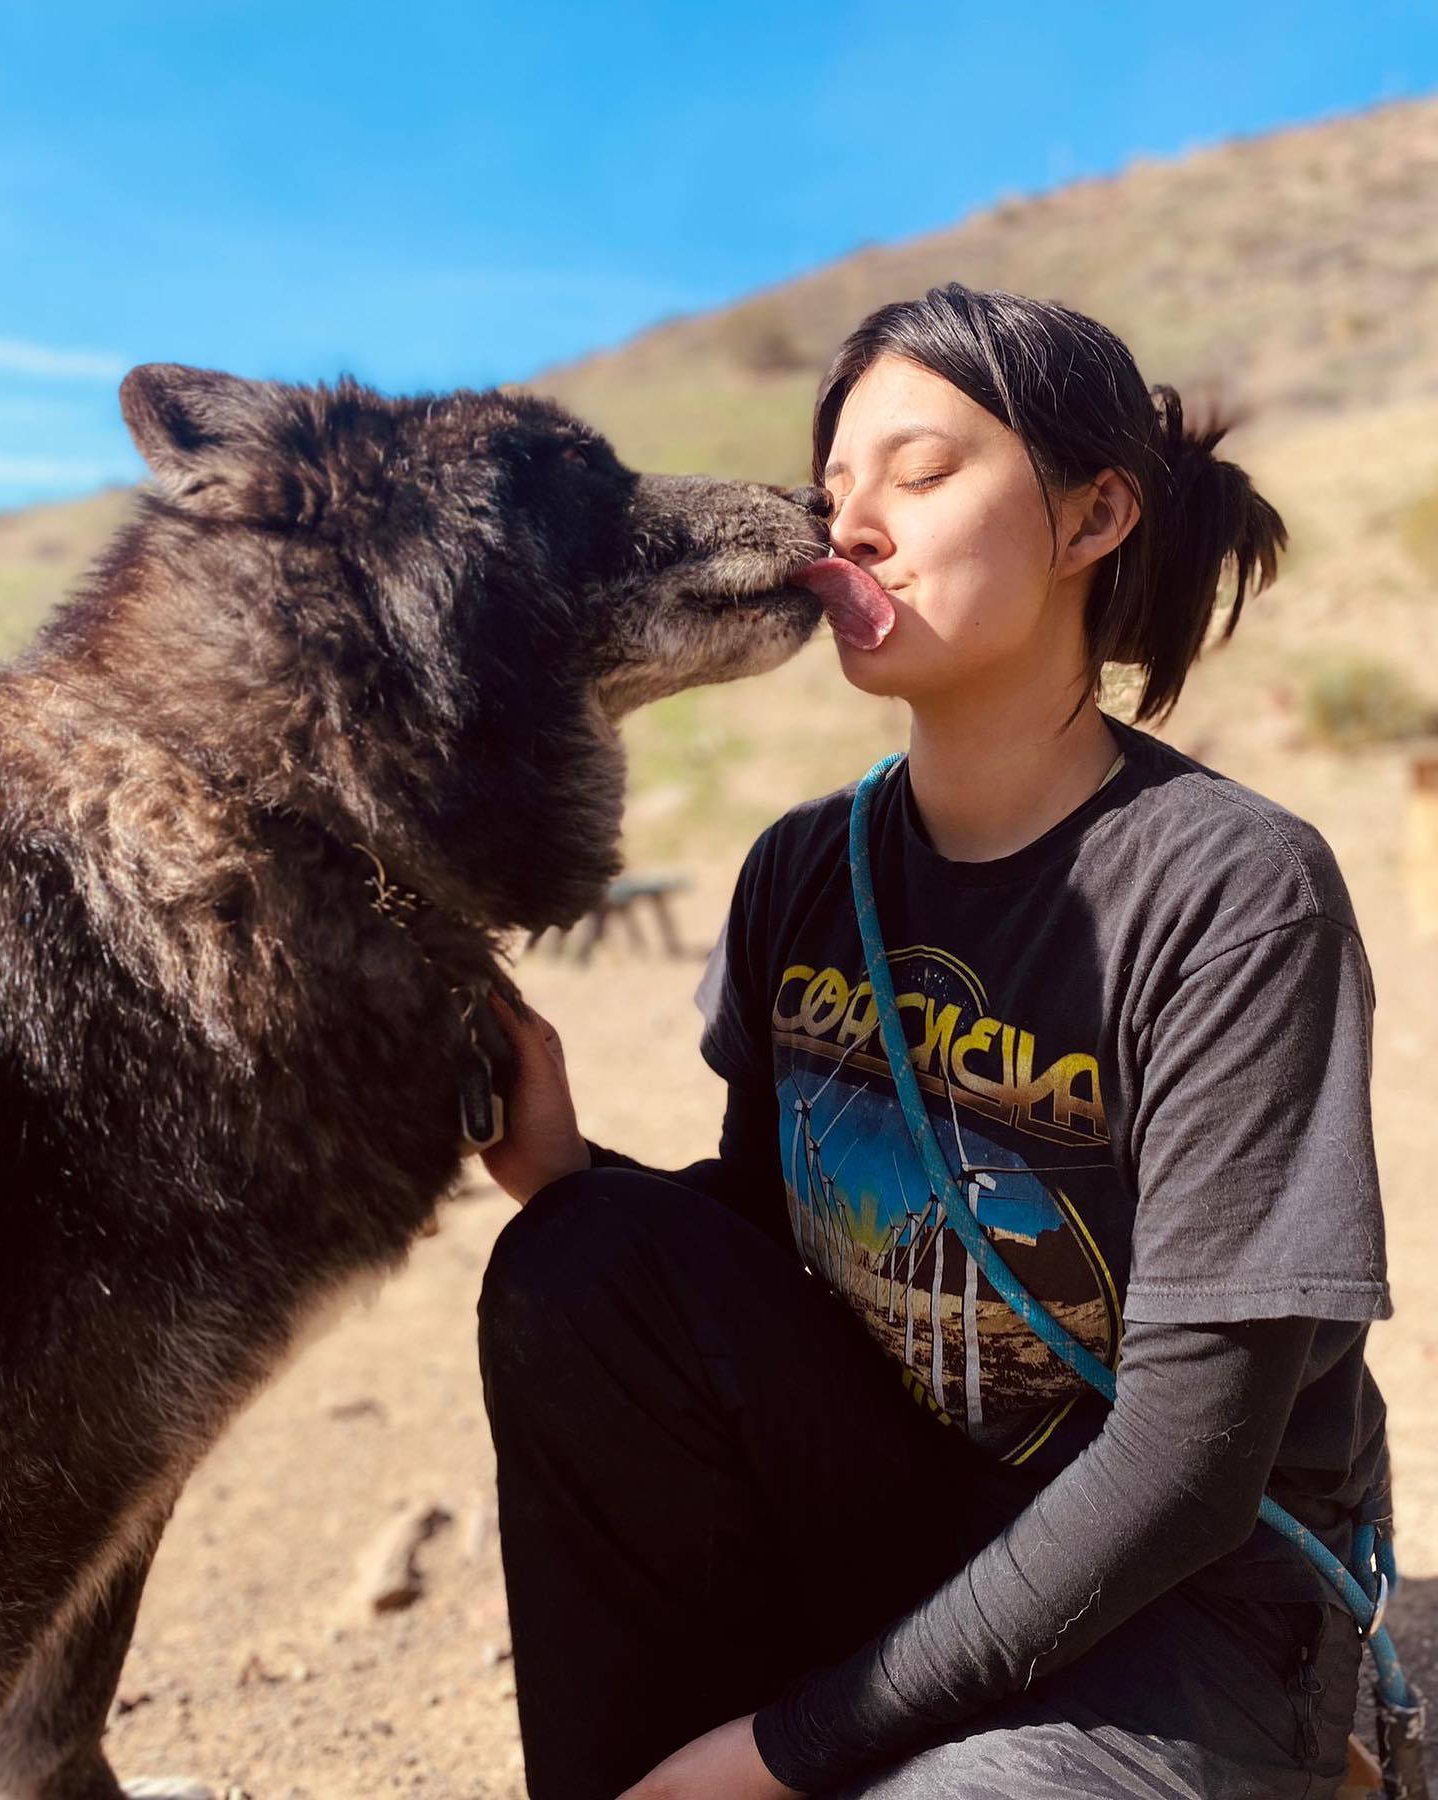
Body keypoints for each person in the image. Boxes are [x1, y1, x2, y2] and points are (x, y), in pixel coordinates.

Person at [475, 282, 1392, 1800]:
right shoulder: (801, 874)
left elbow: (1189, 1467)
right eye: (833, 491)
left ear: (1096, 518)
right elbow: (779, 1243)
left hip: (1185, 1591)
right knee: (579, 1261)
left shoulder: (1231, 890)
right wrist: (567, 1168)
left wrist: (783, 1751)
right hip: (915, 1514)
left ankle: (1280, 1745)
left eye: (922, 471)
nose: (851, 530)